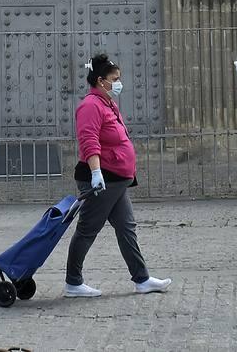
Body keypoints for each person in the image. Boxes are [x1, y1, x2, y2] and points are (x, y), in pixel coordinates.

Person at [63, 53, 172, 298]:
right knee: (88, 228)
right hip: (103, 178)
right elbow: (89, 141)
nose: (119, 83)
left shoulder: (106, 102)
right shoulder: (90, 106)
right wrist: (96, 173)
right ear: (101, 80)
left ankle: (142, 279)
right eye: (115, 78)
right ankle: (73, 282)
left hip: (116, 180)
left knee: (126, 227)